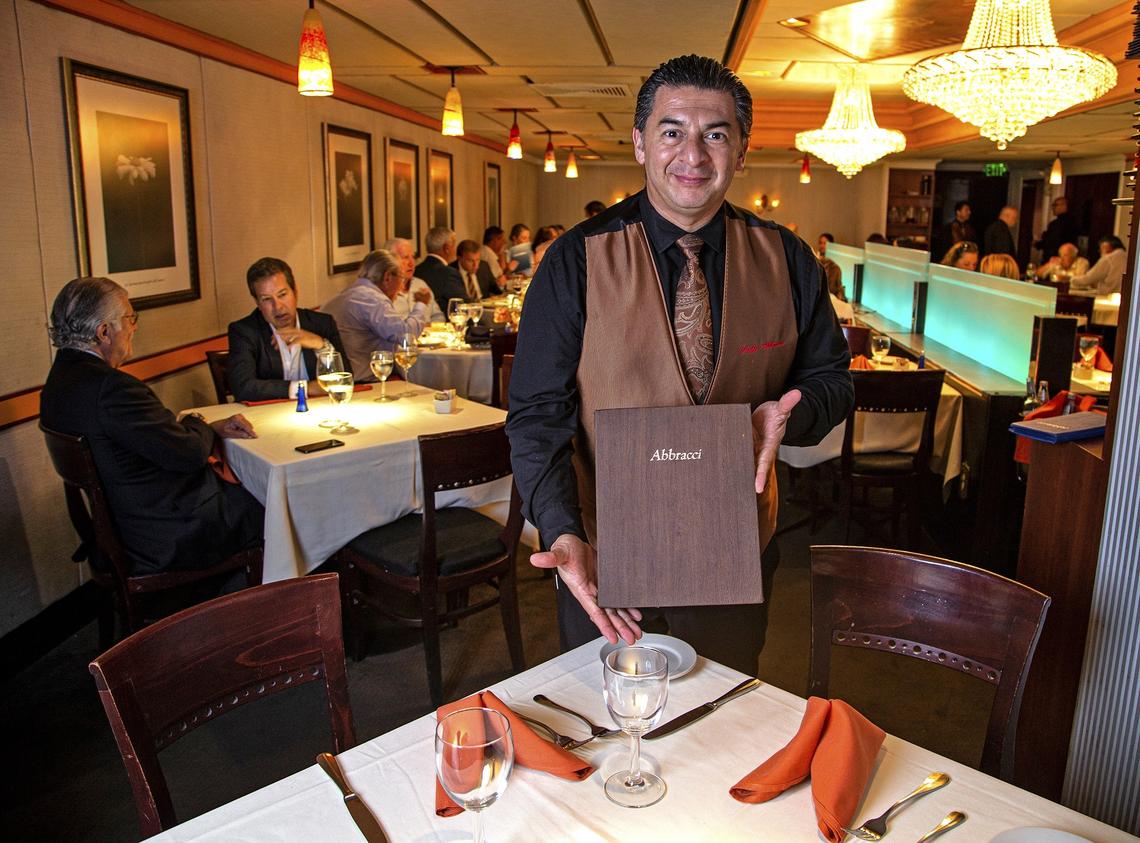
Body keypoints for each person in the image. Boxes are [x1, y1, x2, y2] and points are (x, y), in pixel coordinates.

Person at [506, 54, 852, 675]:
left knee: (724, 716)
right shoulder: (574, 261)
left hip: (735, 543)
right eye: (672, 132)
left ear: (741, 151)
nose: (693, 155)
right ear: (640, 143)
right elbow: (537, 416)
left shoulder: (788, 258)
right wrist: (560, 532)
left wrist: (791, 418)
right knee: (611, 730)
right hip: (608, 551)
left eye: (715, 134)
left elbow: (831, 381)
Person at [41, 277, 263, 575]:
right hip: (163, 536)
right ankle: (274, 610)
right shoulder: (113, 389)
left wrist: (193, 428)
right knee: (266, 499)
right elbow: (188, 455)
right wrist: (197, 422)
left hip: (124, 527)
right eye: (129, 319)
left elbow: (146, 440)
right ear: (104, 332)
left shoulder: (58, 382)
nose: (133, 327)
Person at [227, 257, 346, 402]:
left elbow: (345, 379)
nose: (278, 307)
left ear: (295, 292)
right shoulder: (244, 331)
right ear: (257, 303)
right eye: (266, 299)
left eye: (282, 295)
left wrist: (321, 345)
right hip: (269, 416)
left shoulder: (321, 323)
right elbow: (244, 388)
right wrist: (305, 388)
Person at [323, 249, 432, 380]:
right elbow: (406, 337)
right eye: (401, 278)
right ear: (387, 277)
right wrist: (421, 305)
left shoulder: (346, 295)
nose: (402, 286)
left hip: (338, 377)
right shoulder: (372, 299)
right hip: (364, 381)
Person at [384, 237, 444, 322]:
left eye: (413, 257)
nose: (412, 263)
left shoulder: (420, 284)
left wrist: (431, 331)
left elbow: (438, 316)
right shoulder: (382, 292)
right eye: (405, 257)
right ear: (390, 261)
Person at [416, 227, 468, 304]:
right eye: (454, 245)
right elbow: (464, 303)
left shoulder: (417, 270)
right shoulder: (449, 273)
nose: (455, 250)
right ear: (446, 248)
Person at [1035, 197, 1080, 263]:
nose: (1053, 208)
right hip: (1068, 258)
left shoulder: (1056, 224)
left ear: (1064, 206)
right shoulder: (1074, 222)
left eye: (1055, 205)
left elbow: (1051, 242)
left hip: (1055, 259)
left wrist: (1037, 244)